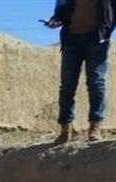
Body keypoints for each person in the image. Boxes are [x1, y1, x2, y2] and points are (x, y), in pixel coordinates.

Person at [44, 0, 115, 142]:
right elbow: (61, 8)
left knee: (96, 81)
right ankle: (66, 129)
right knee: (67, 85)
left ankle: (95, 127)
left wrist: (107, 28)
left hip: (97, 38)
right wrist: (55, 19)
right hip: (71, 39)